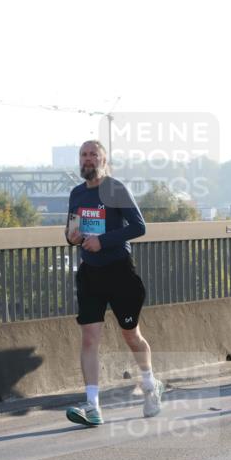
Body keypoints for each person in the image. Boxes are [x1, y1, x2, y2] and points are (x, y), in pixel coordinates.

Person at [63, 140, 164, 426]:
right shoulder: (77, 193)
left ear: (103, 160)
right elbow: (71, 229)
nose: (88, 159)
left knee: (131, 335)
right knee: (89, 337)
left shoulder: (115, 189)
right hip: (90, 273)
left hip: (119, 272)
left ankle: (149, 383)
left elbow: (139, 226)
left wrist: (103, 241)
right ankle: (92, 406)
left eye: (93, 155)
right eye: (83, 155)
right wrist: (71, 237)